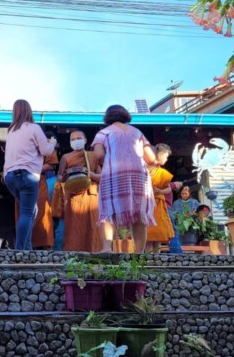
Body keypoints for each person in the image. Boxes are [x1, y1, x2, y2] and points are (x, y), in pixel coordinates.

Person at [92, 105, 156, 253]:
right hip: (139, 176)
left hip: (114, 174)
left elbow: (99, 155)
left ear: (107, 117)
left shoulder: (103, 133)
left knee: (109, 210)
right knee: (139, 213)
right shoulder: (137, 132)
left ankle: (107, 248)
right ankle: (139, 253)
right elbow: (151, 158)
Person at [3, 99, 56, 250]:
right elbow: (46, 151)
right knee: (27, 212)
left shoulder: (11, 131)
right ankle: (21, 250)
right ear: (29, 111)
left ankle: (27, 247)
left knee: (31, 210)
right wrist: (52, 143)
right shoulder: (34, 128)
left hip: (10, 177)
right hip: (27, 175)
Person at [58, 129, 103, 252]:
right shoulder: (66, 157)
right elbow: (59, 177)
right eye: (72, 139)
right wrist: (66, 176)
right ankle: (74, 253)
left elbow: (101, 176)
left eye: (78, 138)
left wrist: (89, 174)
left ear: (85, 140)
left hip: (91, 194)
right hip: (74, 195)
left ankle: (94, 252)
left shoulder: (93, 156)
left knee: (92, 225)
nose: (76, 141)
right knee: (74, 226)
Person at [146, 144, 176, 252]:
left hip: (159, 204)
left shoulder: (162, 172)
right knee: (149, 234)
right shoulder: (145, 169)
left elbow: (168, 189)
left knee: (158, 234)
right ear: (159, 155)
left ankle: (156, 257)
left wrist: (160, 191)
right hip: (147, 204)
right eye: (166, 156)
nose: (166, 159)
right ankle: (148, 257)